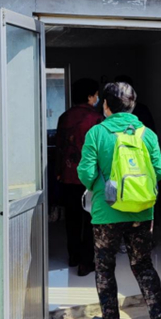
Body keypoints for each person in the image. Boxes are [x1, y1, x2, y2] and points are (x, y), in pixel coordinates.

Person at [78, 82, 161, 319]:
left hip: (106, 213)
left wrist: (103, 187)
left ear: (106, 105)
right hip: (142, 211)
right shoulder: (147, 134)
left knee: (105, 269)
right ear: (133, 105)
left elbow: (86, 173)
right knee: (144, 265)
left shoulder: (97, 133)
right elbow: (160, 172)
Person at [55, 78, 103, 276]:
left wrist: (59, 171)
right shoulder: (97, 119)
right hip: (91, 178)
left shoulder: (64, 117)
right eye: (96, 94)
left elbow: (59, 147)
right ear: (90, 96)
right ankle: (86, 262)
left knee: (72, 218)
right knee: (91, 218)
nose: (97, 98)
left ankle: (73, 256)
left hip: (68, 175)